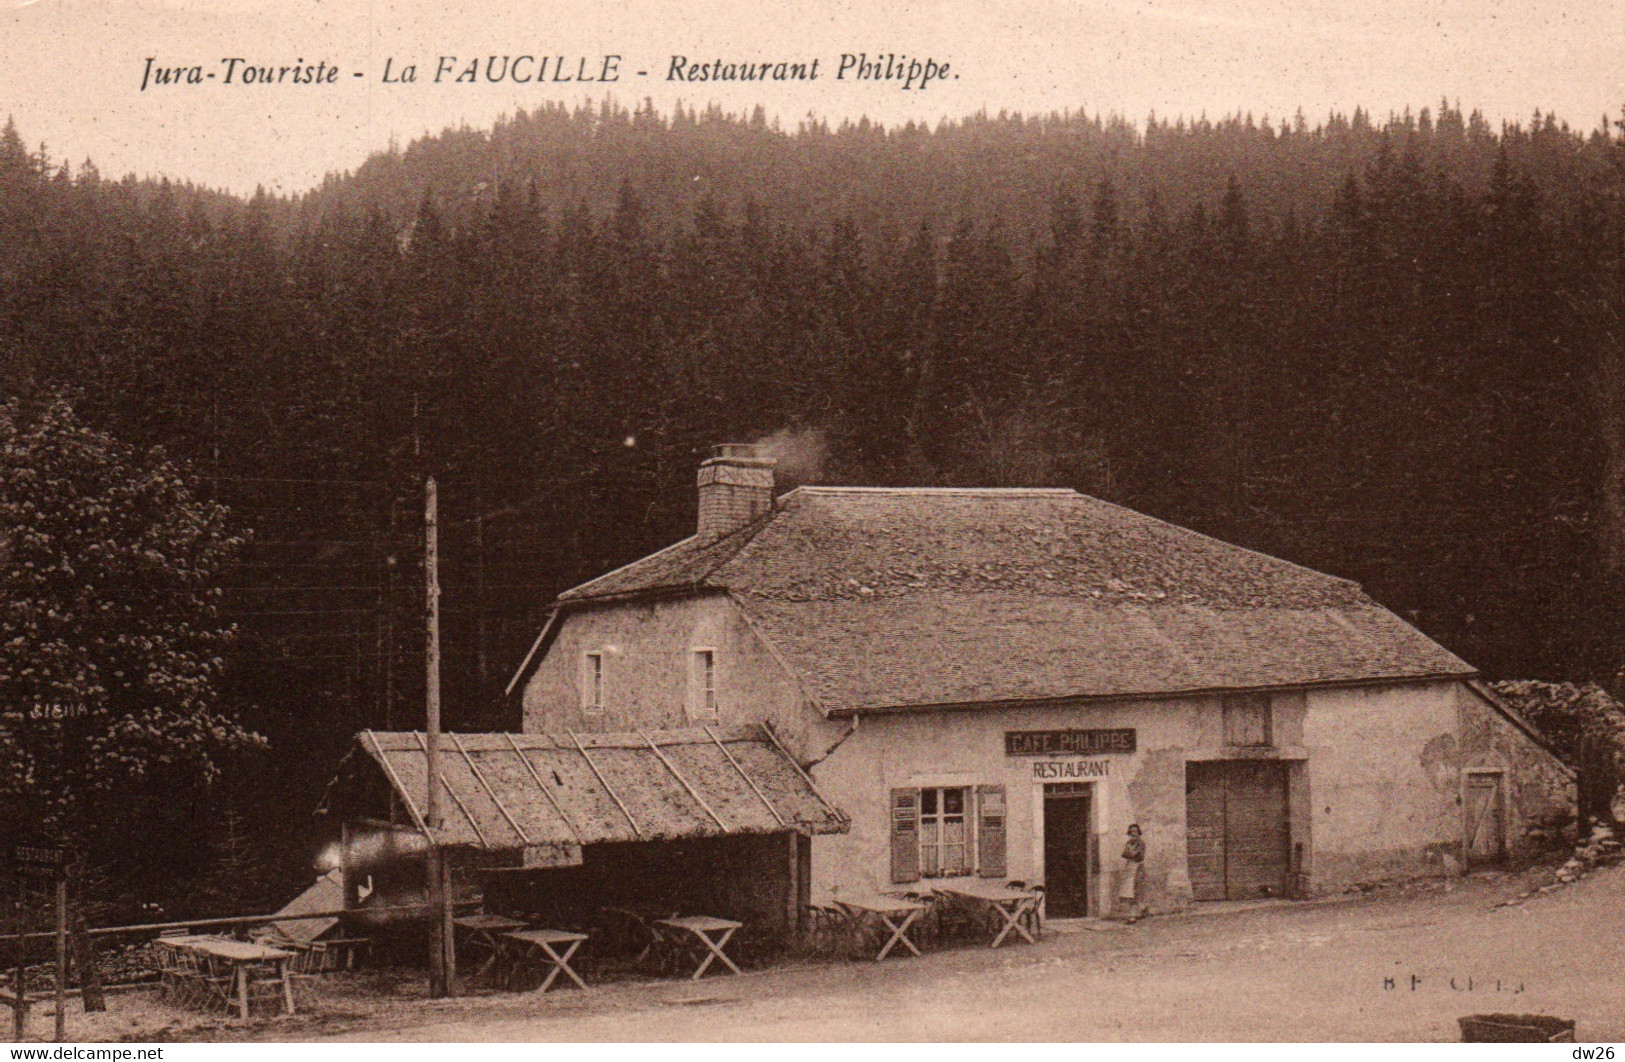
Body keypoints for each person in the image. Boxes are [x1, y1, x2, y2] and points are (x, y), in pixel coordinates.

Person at [1116, 824, 1146, 922]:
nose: (1133, 834)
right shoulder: (1128, 843)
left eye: (1135, 831)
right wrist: (1132, 854)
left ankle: (1133, 916)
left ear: (1138, 832)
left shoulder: (1141, 843)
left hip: (1138, 868)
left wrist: (1131, 854)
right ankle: (1141, 909)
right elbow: (1125, 854)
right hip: (1129, 868)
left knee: (1134, 891)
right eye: (1131, 832)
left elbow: (1140, 857)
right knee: (1129, 892)